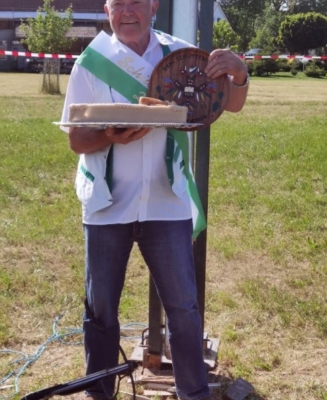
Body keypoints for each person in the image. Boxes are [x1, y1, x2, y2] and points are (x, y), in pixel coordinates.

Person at [60, 1, 249, 399]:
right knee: (100, 311)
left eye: (136, 2)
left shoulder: (180, 55)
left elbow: (229, 103)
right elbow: (76, 139)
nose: (127, 12)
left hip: (166, 200)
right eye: (118, 4)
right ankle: (99, 394)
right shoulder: (90, 62)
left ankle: (193, 393)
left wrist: (240, 73)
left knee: (183, 309)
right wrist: (109, 135)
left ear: (153, 6)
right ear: (107, 9)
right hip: (107, 203)